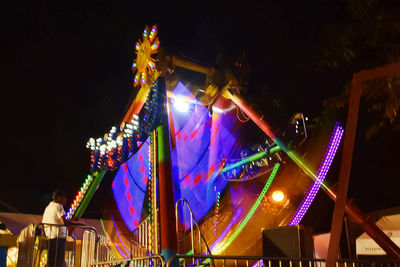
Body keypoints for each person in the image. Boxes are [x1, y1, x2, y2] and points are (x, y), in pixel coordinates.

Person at [42, 190, 84, 267]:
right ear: (59, 198)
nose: (66, 200)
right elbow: (64, 222)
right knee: (58, 260)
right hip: (58, 237)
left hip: (50, 237)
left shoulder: (48, 207)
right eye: (64, 198)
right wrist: (79, 224)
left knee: (51, 260)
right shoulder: (58, 206)